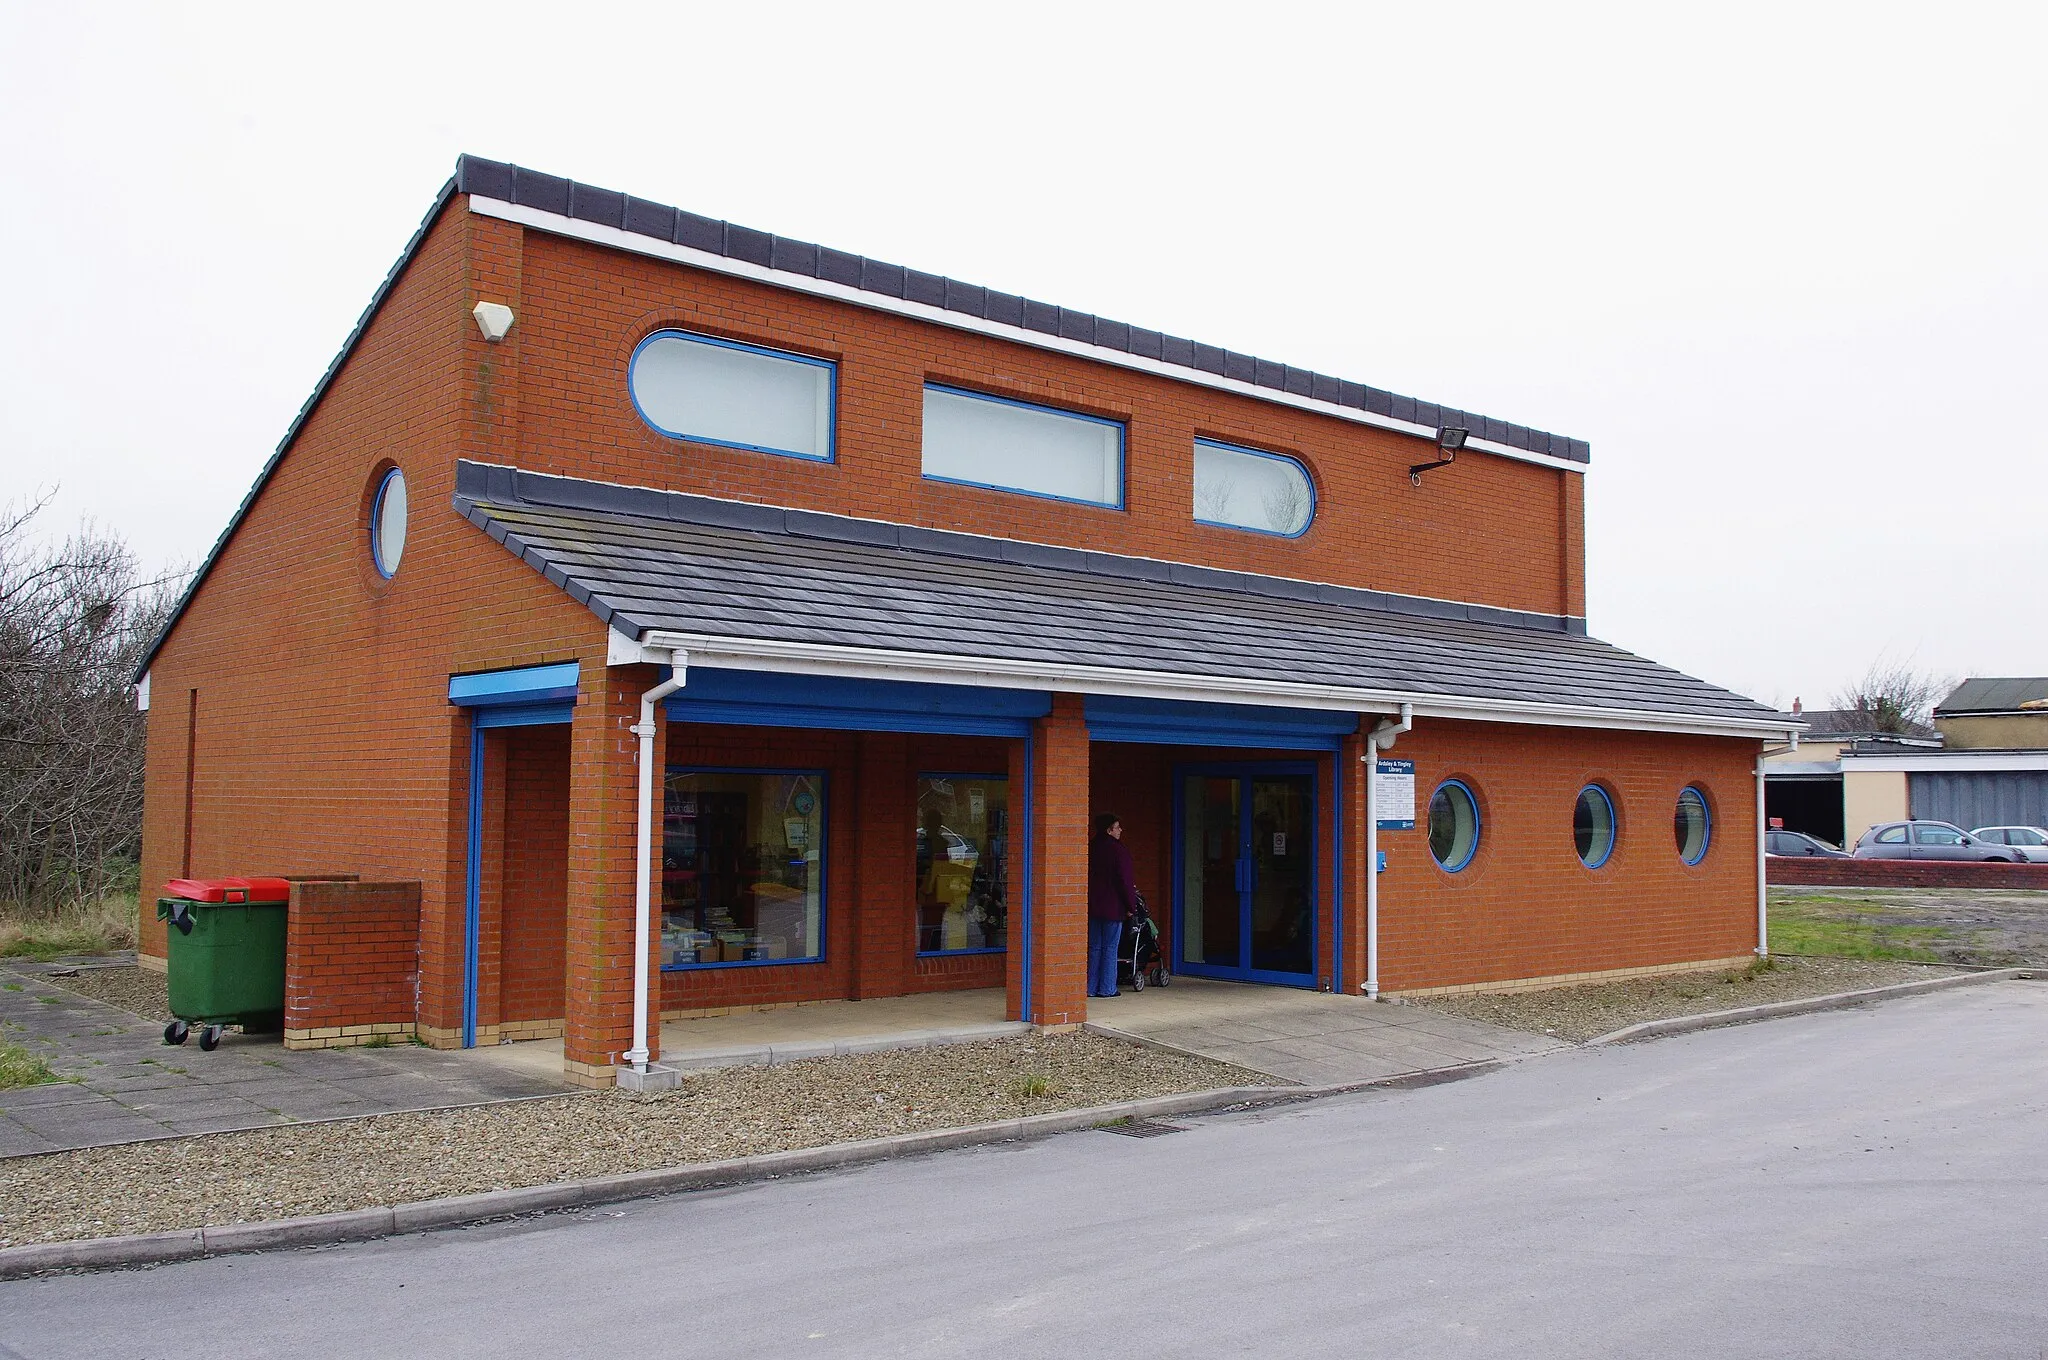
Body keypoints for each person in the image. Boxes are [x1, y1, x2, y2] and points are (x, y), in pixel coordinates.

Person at [1088, 812, 1138, 998]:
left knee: (1094, 947)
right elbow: (1124, 881)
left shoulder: (1091, 847)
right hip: (1113, 906)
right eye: (1117, 827)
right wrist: (1131, 906)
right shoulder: (1118, 851)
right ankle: (1107, 988)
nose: (1120, 830)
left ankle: (1090, 987)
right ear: (1109, 830)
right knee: (1110, 947)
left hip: (1093, 905)